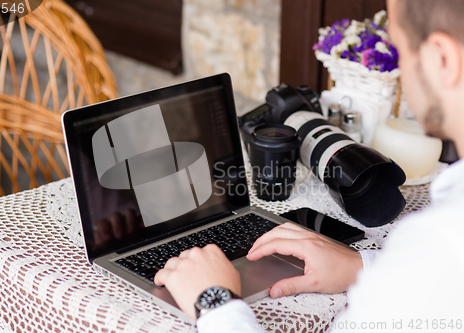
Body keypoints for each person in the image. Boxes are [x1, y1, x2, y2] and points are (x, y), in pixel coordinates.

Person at [154, 0, 464, 331]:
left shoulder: (440, 240)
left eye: (401, 52)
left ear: (442, 60)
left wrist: (216, 303)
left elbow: (443, 261)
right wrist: (365, 266)